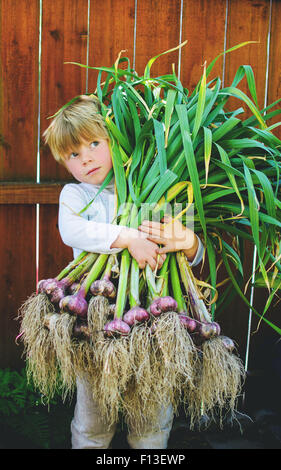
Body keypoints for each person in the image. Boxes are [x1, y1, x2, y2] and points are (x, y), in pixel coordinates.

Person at [43, 94, 204, 449]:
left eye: (94, 144)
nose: (85, 157)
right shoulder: (75, 195)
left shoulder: (154, 192)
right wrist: (128, 236)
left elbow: (190, 261)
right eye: (73, 153)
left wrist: (189, 241)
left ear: (116, 139)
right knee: (92, 419)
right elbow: (73, 231)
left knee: (152, 418)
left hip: (154, 322)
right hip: (96, 323)